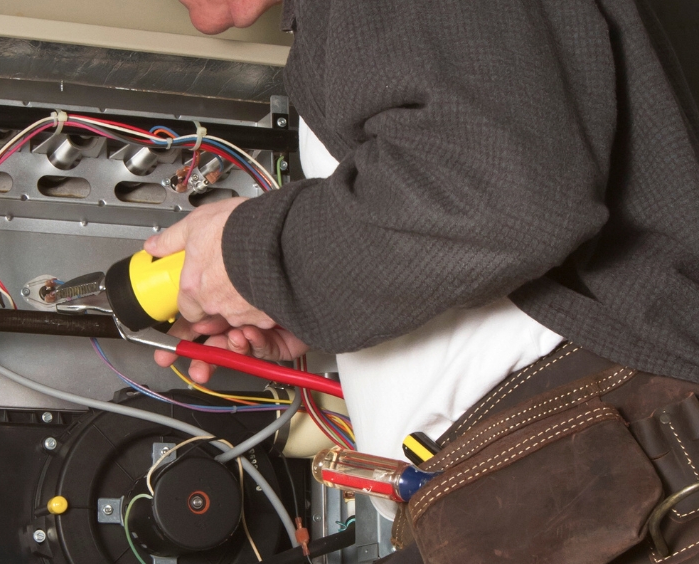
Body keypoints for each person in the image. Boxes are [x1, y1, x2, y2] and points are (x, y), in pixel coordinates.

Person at [150, 0, 699, 530]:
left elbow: (498, 196)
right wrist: (306, 304)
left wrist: (250, 259)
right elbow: (476, 205)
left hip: (613, 468)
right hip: (563, 483)